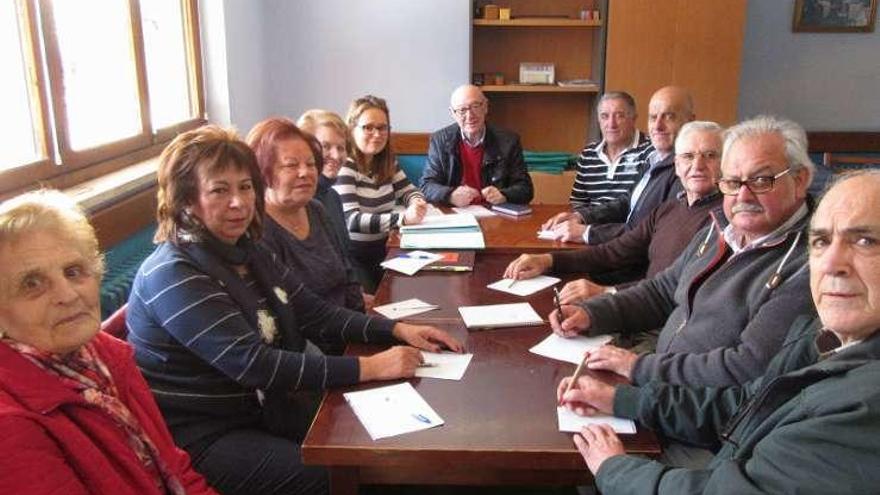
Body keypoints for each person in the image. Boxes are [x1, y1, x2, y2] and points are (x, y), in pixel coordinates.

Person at [126, 125, 462, 495]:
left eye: (245, 187)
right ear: (186, 201)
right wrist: (372, 366)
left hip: (266, 409)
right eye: (219, 190)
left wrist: (396, 330)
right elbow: (254, 364)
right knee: (334, 477)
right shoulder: (173, 272)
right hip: (206, 435)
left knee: (381, 453)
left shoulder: (247, 249)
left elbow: (314, 311)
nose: (239, 202)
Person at [559, 170, 880, 494]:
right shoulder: (824, 333)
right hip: (717, 443)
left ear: (799, 181)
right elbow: (746, 404)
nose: (831, 263)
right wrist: (623, 399)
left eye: (866, 241)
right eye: (822, 241)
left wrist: (615, 470)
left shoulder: (863, 407)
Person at [550, 115, 816, 388]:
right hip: (660, 377)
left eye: (761, 180)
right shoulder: (720, 229)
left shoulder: (810, 266)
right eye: (733, 183)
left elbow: (746, 368)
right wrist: (591, 314)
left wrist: (638, 367)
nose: (743, 197)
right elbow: (661, 292)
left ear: (799, 180)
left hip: (691, 406)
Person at [0, 190, 215, 495]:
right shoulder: (9, 425)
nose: (68, 295)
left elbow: (176, 467)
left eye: (73, 271)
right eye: (32, 283)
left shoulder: (104, 354)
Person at [505, 121, 724, 297]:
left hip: (660, 325)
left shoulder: (724, 221)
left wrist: (607, 293)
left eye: (710, 155)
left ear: (726, 163)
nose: (697, 165)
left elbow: (672, 290)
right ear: (676, 165)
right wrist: (547, 260)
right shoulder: (668, 209)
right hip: (637, 305)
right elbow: (614, 251)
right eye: (688, 156)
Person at [247, 117, 367, 351]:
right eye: (291, 165)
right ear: (264, 171)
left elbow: (348, 275)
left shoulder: (317, 209)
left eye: (311, 164)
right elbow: (289, 317)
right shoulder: (257, 227)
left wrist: (363, 332)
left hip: (348, 334)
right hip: (308, 353)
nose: (305, 173)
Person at [544, 86, 694, 245]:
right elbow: (627, 201)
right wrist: (581, 216)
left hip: (633, 256)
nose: (657, 126)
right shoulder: (655, 159)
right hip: (614, 243)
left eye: (669, 117)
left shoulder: (685, 171)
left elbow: (648, 232)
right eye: (653, 117)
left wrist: (588, 232)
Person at [334, 95, 428, 293]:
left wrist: (417, 203)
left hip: (387, 249)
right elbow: (352, 220)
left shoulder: (386, 161)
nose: (377, 134)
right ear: (351, 129)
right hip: (354, 257)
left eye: (382, 127)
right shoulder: (345, 166)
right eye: (368, 127)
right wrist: (403, 218)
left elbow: (409, 190)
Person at [419, 84, 534, 206]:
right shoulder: (440, 140)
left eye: (475, 106)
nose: (470, 116)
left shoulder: (508, 141)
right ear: (453, 113)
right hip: (456, 214)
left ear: (485, 107)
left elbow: (526, 189)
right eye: (462, 110)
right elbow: (426, 186)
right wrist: (450, 195)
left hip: (495, 214)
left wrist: (504, 195)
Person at [551, 91, 652, 226]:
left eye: (620, 116)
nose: (611, 124)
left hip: (630, 232)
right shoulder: (589, 153)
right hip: (590, 229)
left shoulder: (650, 152)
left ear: (633, 119)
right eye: (605, 116)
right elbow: (579, 203)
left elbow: (640, 206)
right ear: (598, 120)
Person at [295, 109, 351, 254]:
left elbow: (346, 258)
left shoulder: (333, 197)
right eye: (325, 146)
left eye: (341, 148)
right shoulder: (299, 202)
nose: (336, 156)